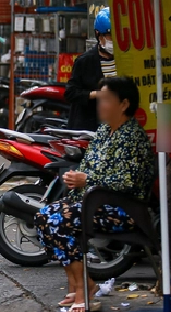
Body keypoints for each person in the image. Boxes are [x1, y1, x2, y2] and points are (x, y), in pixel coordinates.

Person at [34, 77, 154, 312]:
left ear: (123, 104)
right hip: (92, 203)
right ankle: (82, 284)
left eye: (106, 99)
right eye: (99, 99)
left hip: (122, 209)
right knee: (43, 216)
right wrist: (75, 178)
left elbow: (128, 181)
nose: (100, 104)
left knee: (61, 219)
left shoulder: (132, 137)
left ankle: (82, 289)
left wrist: (87, 179)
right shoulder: (102, 132)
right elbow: (87, 168)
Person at [65, 8, 117, 131]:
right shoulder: (85, 61)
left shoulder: (125, 59)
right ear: (99, 35)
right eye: (110, 35)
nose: (114, 40)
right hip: (90, 127)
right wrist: (98, 94)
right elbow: (71, 93)